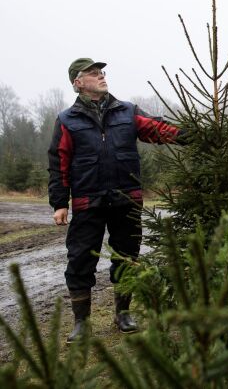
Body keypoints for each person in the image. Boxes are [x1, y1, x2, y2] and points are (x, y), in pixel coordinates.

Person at [48, 58, 185, 343]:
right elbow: (59, 163)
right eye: (93, 73)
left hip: (127, 199)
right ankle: (81, 322)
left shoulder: (127, 111)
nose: (101, 75)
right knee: (80, 261)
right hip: (88, 202)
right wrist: (60, 203)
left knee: (127, 257)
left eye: (102, 72)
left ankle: (123, 313)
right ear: (78, 82)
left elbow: (158, 128)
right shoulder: (66, 120)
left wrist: (192, 135)